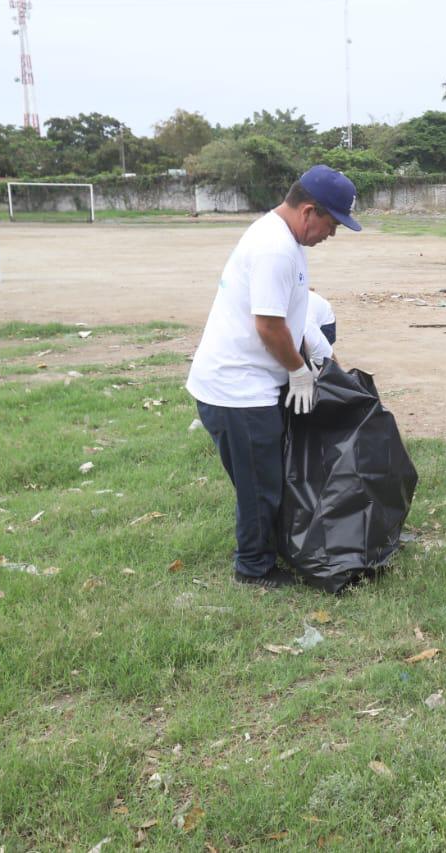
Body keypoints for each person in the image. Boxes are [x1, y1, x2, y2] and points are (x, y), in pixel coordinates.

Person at [186, 165, 361, 588]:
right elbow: (268, 326)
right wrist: (299, 372)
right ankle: (254, 568)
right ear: (308, 211)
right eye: (332, 224)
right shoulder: (274, 248)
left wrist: (319, 355)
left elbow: (289, 317)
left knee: (270, 477)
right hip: (236, 390)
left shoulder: (285, 240)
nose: (331, 234)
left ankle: (272, 548)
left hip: (254, 384)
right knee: (259, 485)